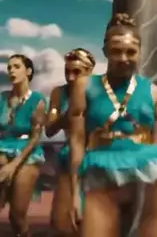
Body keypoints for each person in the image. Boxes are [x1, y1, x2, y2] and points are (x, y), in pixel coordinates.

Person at [67, 13, 157, 237]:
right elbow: (77, 141)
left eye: (130, 51)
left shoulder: (153, 92)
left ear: (139, 52)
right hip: (101, 176)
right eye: (116, 51)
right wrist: (75, 193)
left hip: (149, 179)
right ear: (105, 51)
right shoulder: (85, 86)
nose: (123, 58)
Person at [0, 54, 47, 237]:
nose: (11, 71)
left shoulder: (38, 100)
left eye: (16, 67)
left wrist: (13, 165)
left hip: (27, 156)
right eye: (9, 68)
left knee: (17, 216)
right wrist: (0, 151)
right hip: (2, 153)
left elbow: (35, 137)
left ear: (28, 71)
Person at [46, 48, 96, 236]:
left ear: (90, 72)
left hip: (98, 157)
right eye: (67, 71)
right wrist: (68, 116)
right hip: (70, 158)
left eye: (77, 72)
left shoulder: (100, 93)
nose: (71, 77)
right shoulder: (59, 93)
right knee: (62, 220)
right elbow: (49, 129)